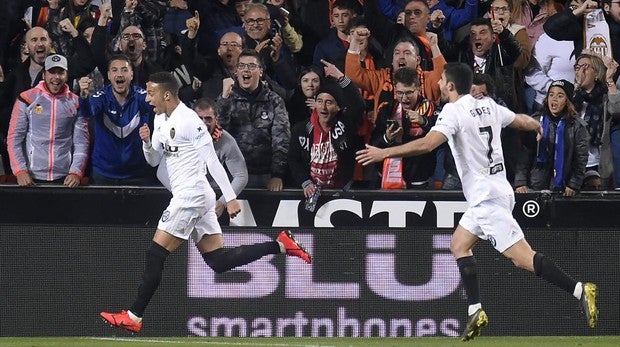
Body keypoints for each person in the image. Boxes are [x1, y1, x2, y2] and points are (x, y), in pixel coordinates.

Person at [355, 62, 598, 341]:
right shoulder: (489, 105)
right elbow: (519, 120)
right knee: (458, 244)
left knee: (522, 259)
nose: (437, 84)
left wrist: (384, 153)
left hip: (485, 199)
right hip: (497, 191)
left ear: (450, 85)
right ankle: (475, 309)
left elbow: (427, 144)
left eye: (441, 80)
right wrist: (535, 125)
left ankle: (580, 289)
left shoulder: (453, 111)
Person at [100, 71, 311, 333]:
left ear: (167, 94)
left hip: (191, 196)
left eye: (151, 92)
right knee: (219, 261)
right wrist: (145, 143)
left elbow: (212, 160)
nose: (147, 97)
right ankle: (281, 246)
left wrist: (231, 198)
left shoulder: (190, 121)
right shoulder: (158, 118)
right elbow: (154, 159)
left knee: (155, 254)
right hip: (193, 196)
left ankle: (134, 315)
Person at [7, 54, 89, 187]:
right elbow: (14, 138)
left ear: (66, 75)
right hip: (31, 177)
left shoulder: (76, 102)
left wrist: (76, 172)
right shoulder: (27, 99)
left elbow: (81, 142)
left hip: (65, 178)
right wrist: (20, 170)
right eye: (52, 72)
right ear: (44, 74)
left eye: (60, 72)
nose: (56, 77)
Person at [216, 50, 290, 191]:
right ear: (236, 71)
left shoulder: (274, 100)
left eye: (251, 66)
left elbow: (281, 139)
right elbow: (217, 133)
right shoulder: (226, 99)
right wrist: (224, 99)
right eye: (242, 66)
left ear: (261, 71)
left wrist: (277, 174)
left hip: (265, 176)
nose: (246, 70)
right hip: (231, 174)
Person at [78, 54, 155, 186]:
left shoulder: (143, 97)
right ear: (108, 75)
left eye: (124, 70)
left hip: (137, 173)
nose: (119, 74)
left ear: (131, 74)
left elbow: (164, 107)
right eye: (114, 70)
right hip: (103, 173)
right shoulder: (100, 97)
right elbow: (87, 112)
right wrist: (84, 96)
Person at [514, 80, 589, 196]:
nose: (554, 99)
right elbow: (524, 154)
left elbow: (580, 159)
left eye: (560, 96)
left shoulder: (577, 126)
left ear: (567, 101)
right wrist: (520, 182)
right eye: (551, 95)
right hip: (534, 184)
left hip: (564, 188)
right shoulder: (535, 122)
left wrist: (573, 184)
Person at [193, 97, 248, 217]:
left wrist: (223, 202)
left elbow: (241, 176)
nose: (203, 123)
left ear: (216, 119)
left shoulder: (226, 141)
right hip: (185, 196)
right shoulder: (181, 138)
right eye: (199, 118)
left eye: (208, 119)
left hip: (214, 197)